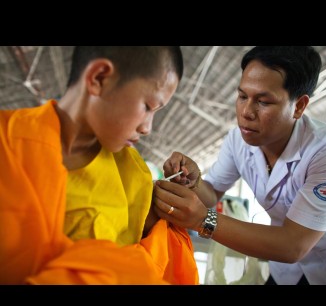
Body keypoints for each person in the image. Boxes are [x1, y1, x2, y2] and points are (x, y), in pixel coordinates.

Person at [153, 46, 326, 285]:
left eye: (263, 101)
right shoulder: (238, 140)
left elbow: (293, 245)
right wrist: (194, 181)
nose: (246, 112)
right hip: (285, 271)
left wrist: (201, 220)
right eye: (242, 96)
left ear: (299, 106)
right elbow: (211, 195)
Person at [0, 46, 199, 285]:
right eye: (147, 107)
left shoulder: (133, 173)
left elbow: (143, 261)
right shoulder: (7, 141)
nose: (147, 128)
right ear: (99, 78)